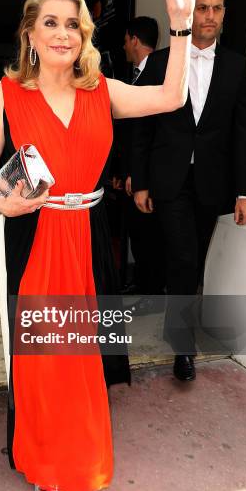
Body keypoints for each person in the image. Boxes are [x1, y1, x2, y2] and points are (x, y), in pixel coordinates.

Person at [0, 0, 204, 491]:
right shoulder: (7, 94)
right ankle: (43, 460)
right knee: (45, 364)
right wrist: (3, 202)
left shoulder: (102, 91)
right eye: (49, 22)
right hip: (36, 238)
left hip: (89, 238)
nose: (62, 33)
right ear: (29, 33)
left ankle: (80, 457)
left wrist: (181, 22)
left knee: (83, 363)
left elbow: (171, 96)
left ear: (84, 35)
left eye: (72, 24)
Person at [131, 0, 246, 381]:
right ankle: (182, 345)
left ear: (223, 15)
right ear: (190, 11)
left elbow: (243, 133)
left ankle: (177, 320)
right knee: (184, 255)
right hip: (169, 180)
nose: (209, 15)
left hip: (211, 182)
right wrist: (141, 180)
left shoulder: (237, 66)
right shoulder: (159, 62)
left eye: (216, 8)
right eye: (202, 7)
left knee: (192, 256)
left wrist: (244, 191)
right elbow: (143, 128)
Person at [112, 17, 166, 309]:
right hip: (131, 174)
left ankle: (153, 294)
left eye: (125, 40)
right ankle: (146, 285)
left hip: (147, 176)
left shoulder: (159, 77)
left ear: (134, 39)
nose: (123, 46)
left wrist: (137, 174)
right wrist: (122, 172)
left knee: (149, 237)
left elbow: (149, 132)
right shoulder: (133, 76)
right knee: (138, 234)